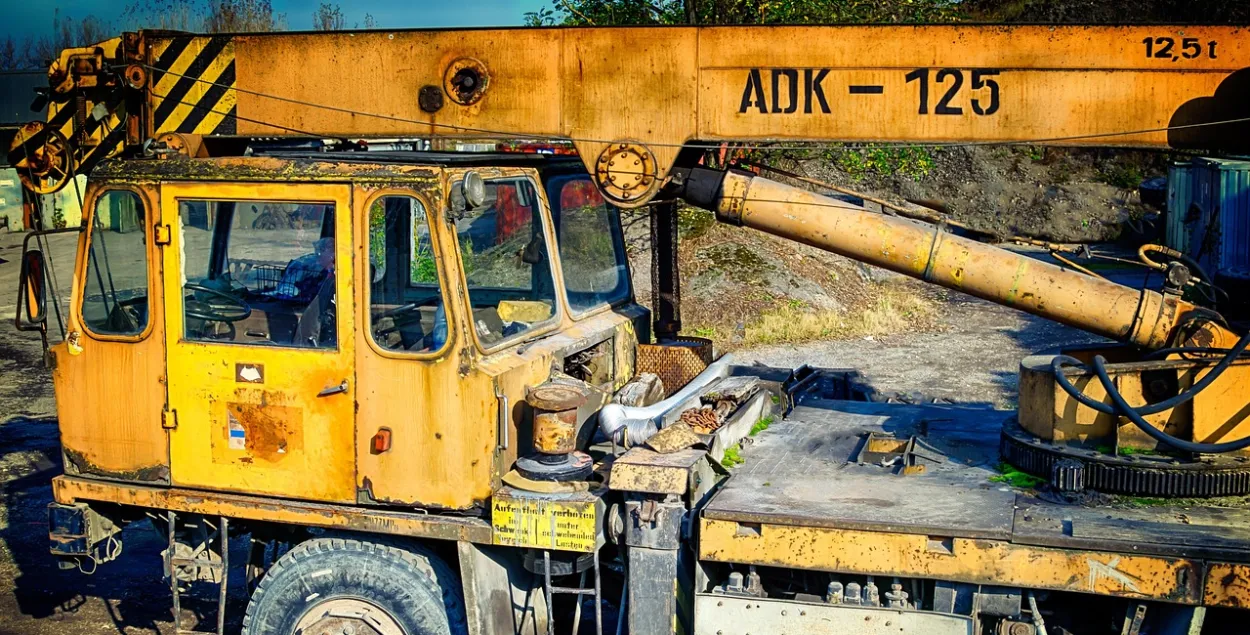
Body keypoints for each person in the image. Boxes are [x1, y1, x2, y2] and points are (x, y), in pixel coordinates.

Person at [271, 237, 333, 303]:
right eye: (318, 251)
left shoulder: (328, 267)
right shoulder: (309, 265)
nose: (318, 255)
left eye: (321, 251)